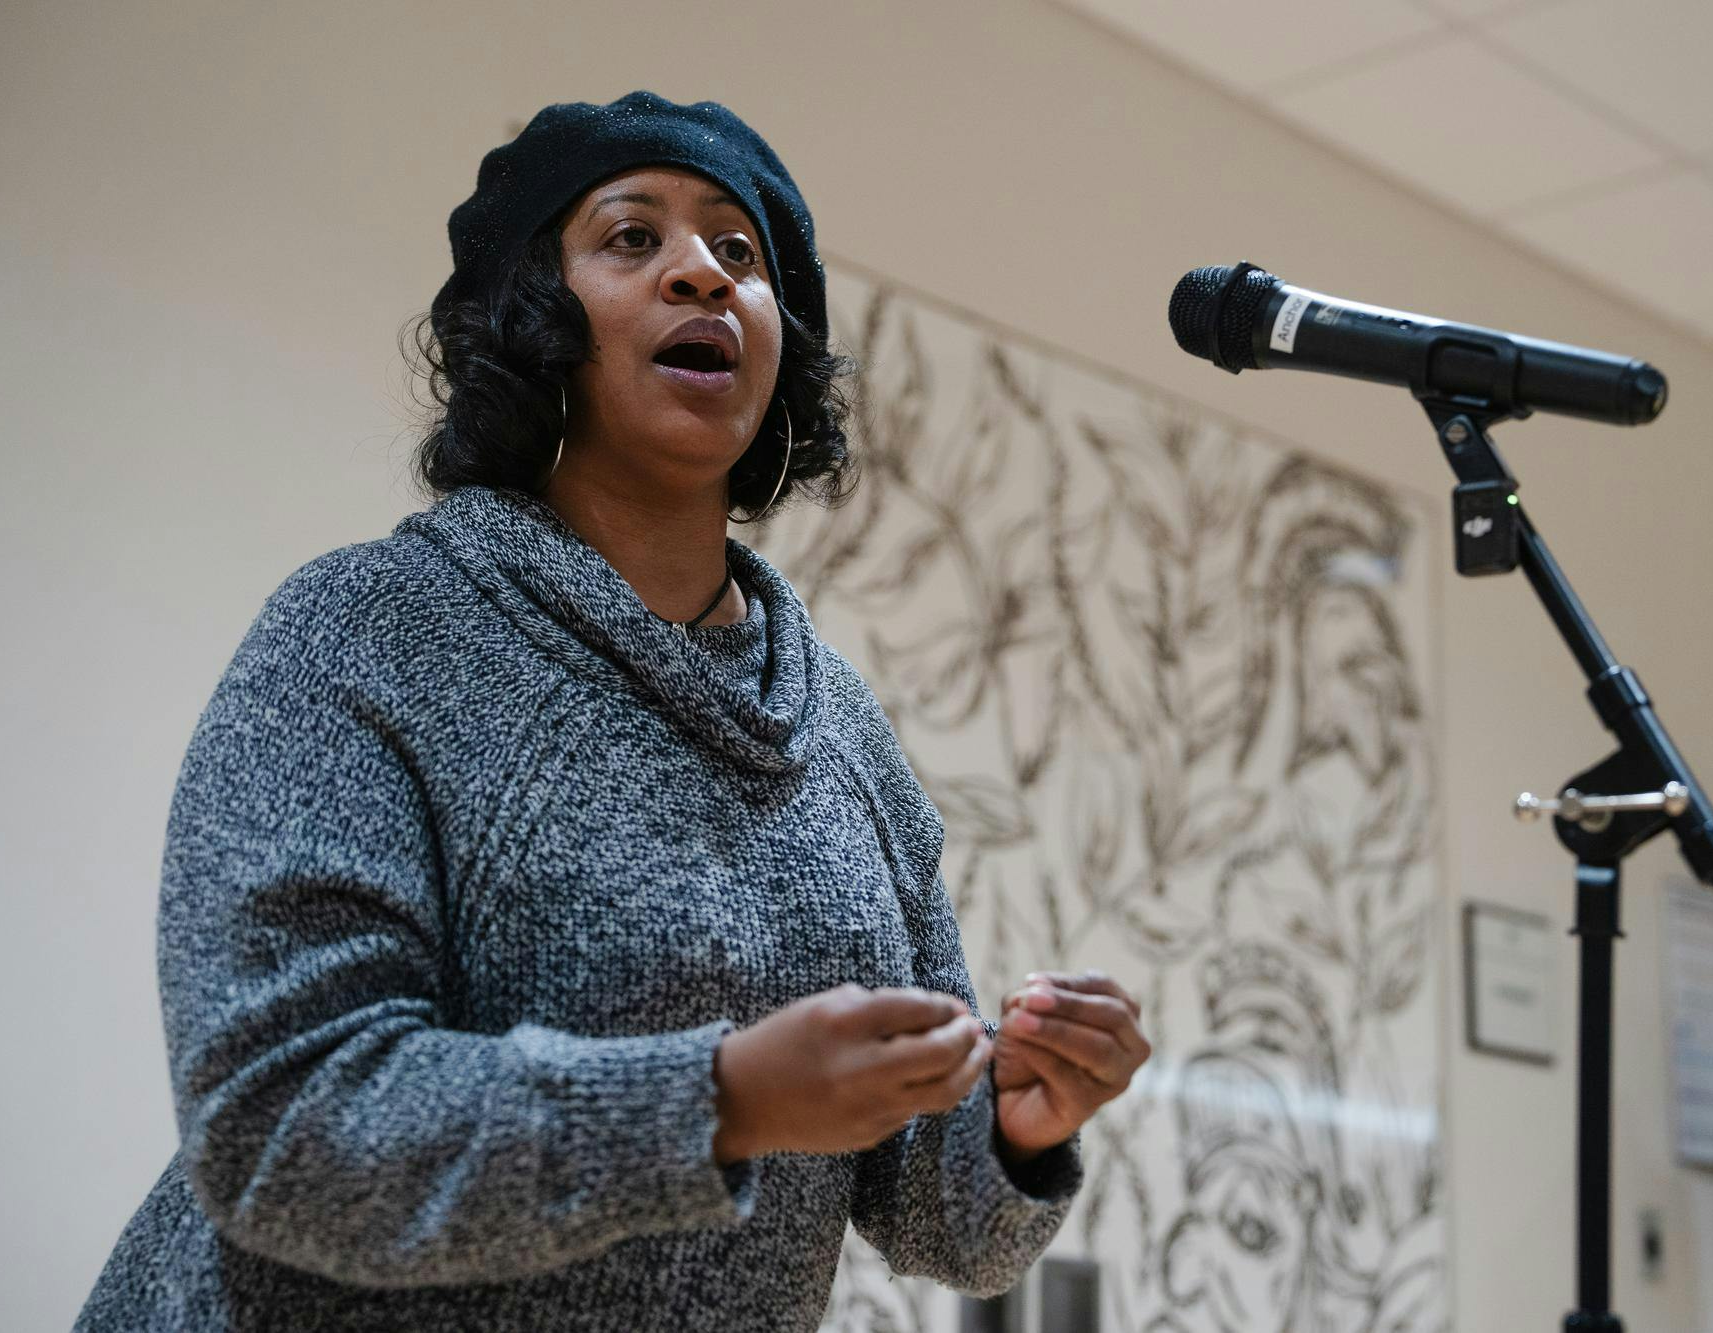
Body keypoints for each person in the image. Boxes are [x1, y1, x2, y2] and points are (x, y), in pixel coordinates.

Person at [73, 90, 1150, 1332]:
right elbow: (284, 1128)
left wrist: (1021, 1116)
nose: (701, 274)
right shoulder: (368, 630)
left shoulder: (840, 729)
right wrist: (720, 1099)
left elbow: (936, 1220)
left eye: (739, 255)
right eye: (632, 238)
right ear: (536, 320)